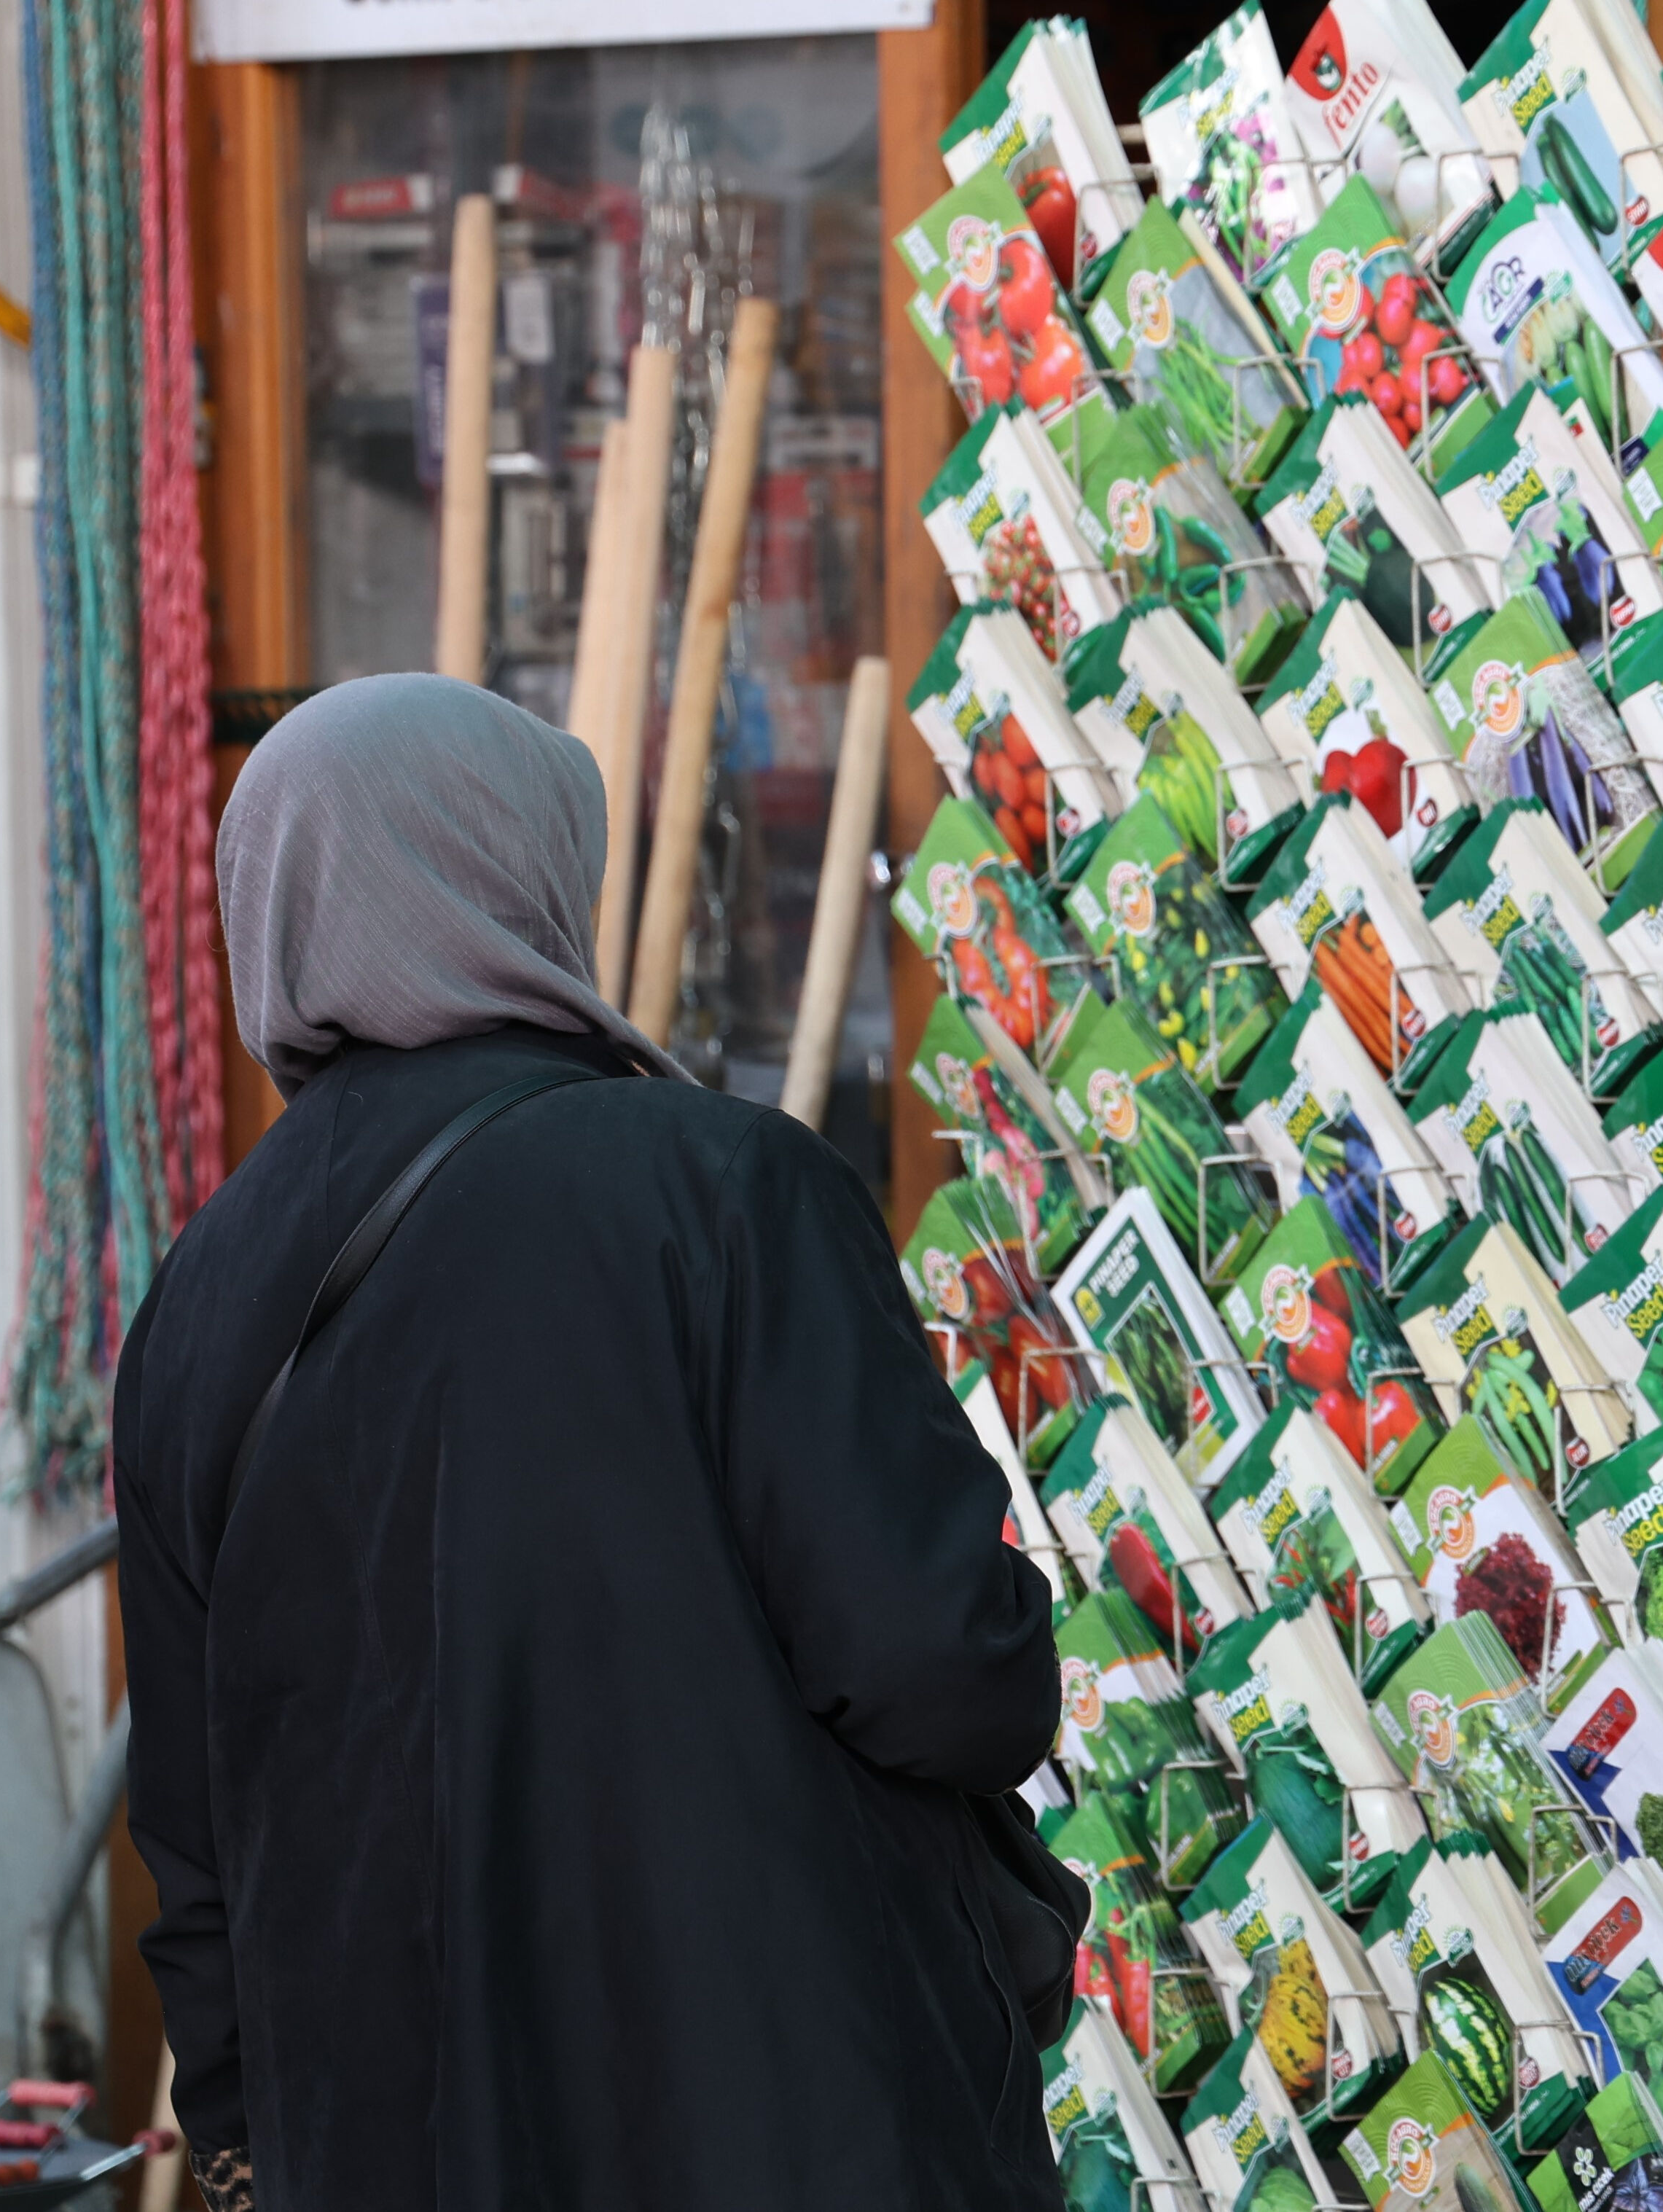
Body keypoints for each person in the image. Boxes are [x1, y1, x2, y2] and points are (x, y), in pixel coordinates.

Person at [114, 675, 1075, 2212]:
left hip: (394, 2143)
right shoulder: (720, 1191)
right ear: (525, 873)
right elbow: (951, 1668)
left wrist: (249, 2142)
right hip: (781, 2106)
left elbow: (198, 1838)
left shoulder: (198, 1301)